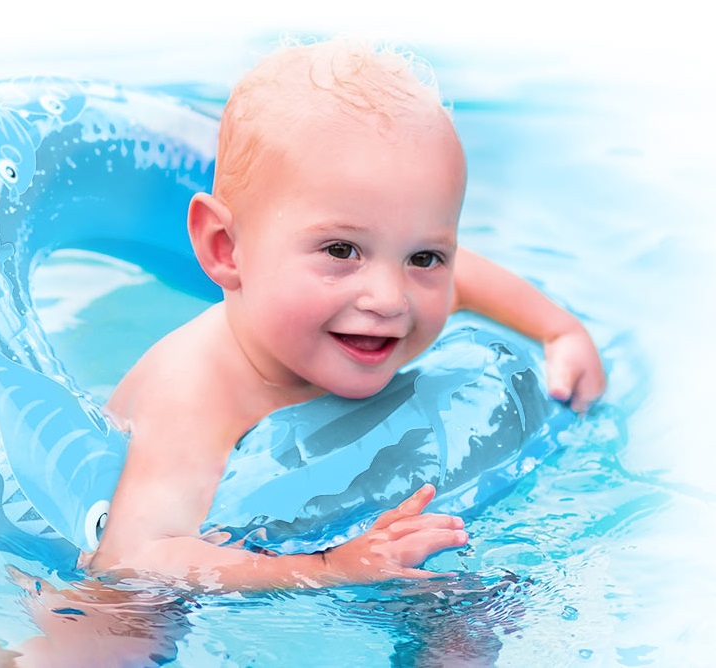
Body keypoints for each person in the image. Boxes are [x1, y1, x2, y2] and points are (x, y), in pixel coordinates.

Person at [77, 38, 606, 592]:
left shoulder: (380, 297)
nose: (390, 299)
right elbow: (133, 560)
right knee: (124, 629)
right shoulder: (194, 396)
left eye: (422, 256)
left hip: (329, 522)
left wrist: (558, 331)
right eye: (340, 251)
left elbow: (465, 275)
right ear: (226, 249)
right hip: (138, 590)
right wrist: (329, 570)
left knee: (458, 605)